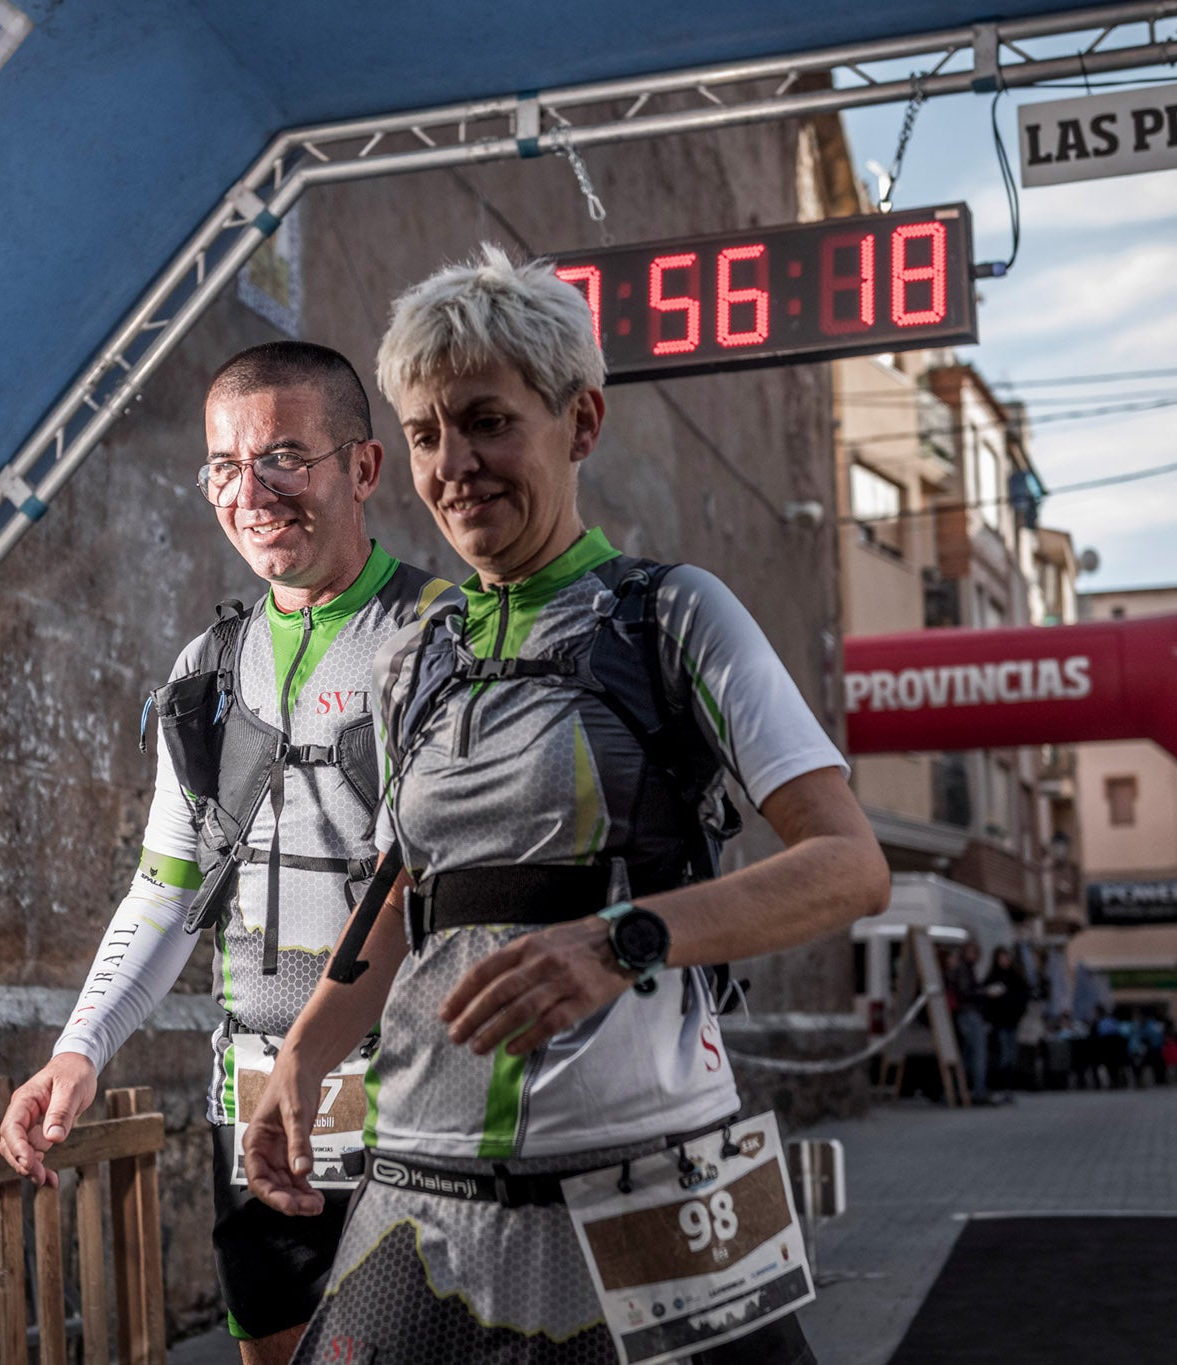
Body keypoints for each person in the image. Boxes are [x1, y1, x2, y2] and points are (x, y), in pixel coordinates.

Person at [239, 245, 890, 1365]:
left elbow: (848, 865)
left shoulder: (671, 614)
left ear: (578, 423)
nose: (455, 466)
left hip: (646, 1189)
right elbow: (409, 888)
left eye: (488, 422)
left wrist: (623, 939)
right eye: (429, 433)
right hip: (426, 1192)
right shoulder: (420, 654)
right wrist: (305, 1051)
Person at [0, 341, 454, 1365]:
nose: (251, 492)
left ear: (362, 469)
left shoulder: (440, 639)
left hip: (422, 1104)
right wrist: (79, 1048)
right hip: (253, 1110)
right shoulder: (205, 667)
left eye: (286, 457)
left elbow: (434, 892)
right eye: (225, 466)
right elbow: (164, 886)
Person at [982, 945, 1030, 1094]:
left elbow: (1024, 995)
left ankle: (1008, 1086)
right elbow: (986, 999)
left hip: (1012, 1021)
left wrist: (1018, 1012)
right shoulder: (992, 977)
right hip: (999, 1022)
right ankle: (1001, 1086)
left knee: (1011, 1055)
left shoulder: (1015, 977)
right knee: (1003, 1055)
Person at [948, 941, 991, 1103]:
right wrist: (984, 992)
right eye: (971, 952)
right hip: (969, 1014)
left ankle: (959, 1088)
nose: (974, 956)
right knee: (978, 1054)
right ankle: (978, 1090)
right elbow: (966, 992)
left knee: (967, 1054)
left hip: (967, 1014)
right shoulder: (964, 969)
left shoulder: (967, 969)